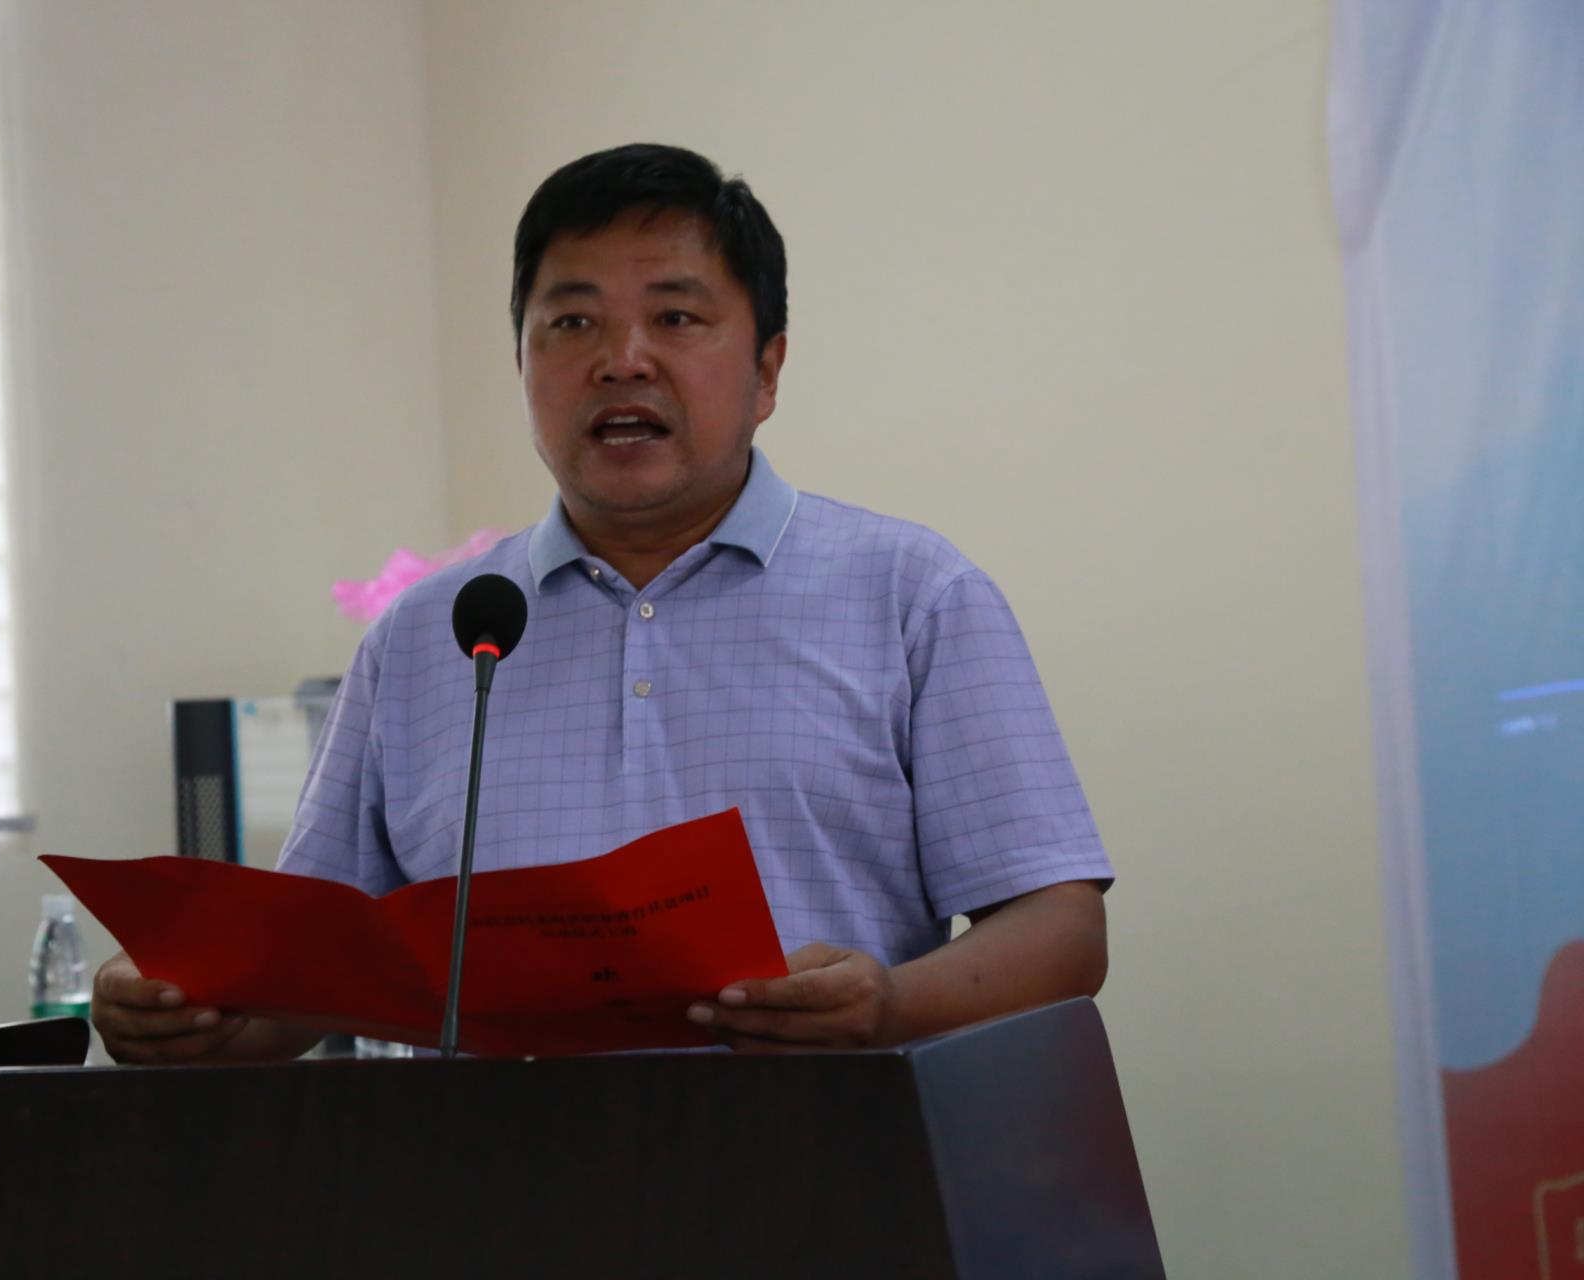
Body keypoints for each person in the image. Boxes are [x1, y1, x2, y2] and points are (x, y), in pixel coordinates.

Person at [92, 143, 1112, 1063]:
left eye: (676, 317)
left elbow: (1060, 928)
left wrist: (887, 1006)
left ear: (766, 370)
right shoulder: (430, 636)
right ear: (524, 364)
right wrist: (193, 1011)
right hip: (494, 1181)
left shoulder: (912, 595)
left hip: (822, 1166)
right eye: (572, 322)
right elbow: (306, 972)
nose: (621, 359)